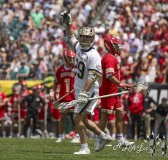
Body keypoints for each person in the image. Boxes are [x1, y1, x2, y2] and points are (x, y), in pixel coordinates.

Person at [62, 10, 111, 154]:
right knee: (82, 118)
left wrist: (84, 92)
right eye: (82, 36)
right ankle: (103, 136)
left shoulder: (94, 55)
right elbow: (70, 37)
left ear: (92, 39)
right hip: (79, 88)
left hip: (88, 89)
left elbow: (93, 75)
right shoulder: (78, 47)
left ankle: (85, 148)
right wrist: (68, 25)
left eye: (87, 37)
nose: (84, 39)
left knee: (77, 118)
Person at [97, 36, 134, 146]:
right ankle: (98, 139)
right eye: (116, 46)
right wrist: (120, 84)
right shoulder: (109, 58)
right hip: (108, 92)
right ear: (109, 46)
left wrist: (120, 85)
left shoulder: (112, 57)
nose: (118, 48)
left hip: (114, 91)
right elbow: (109, 76)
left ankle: (120, 139)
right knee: (105, 116)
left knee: (120, 113)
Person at [49, 50, 79, 143]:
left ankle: (77, 136)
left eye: (73, 58)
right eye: (70, 58)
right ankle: (61, 136)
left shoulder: (76, 69)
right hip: (63, 96)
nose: (72, 60)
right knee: (62, 117)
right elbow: (55, 82)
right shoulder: (60, 69)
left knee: (75, 118)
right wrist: (52, 92)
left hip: (74, 96)